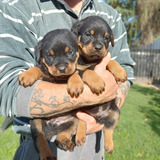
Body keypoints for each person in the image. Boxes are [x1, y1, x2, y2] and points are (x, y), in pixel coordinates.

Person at [0, 0, 135, 159]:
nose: (63, 67)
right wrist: (88, 95)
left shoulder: (111, 15)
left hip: (92, 143)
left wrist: (103, 114)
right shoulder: (15, 6)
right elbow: (6, 88)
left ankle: (64, 136)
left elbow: (126, 70)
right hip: (35, 145)